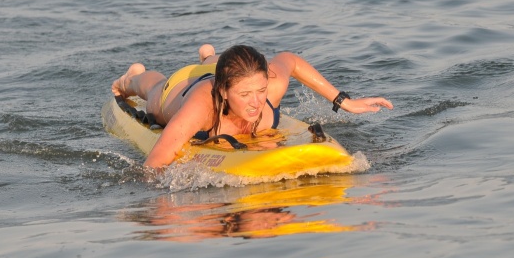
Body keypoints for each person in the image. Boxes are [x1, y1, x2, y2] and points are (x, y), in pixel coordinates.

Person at [112, 44, 393, 169]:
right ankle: (130, 77)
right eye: (246, 95)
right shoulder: (200, 108)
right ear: (223, 92)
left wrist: (345, 102)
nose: (256, 102)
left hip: (226, 72)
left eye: (261, 91)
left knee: (222, 65)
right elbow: (155, 162)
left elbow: (290, 60)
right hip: (180, 89)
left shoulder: (268, 87)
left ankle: (209, 56)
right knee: (154, 90)